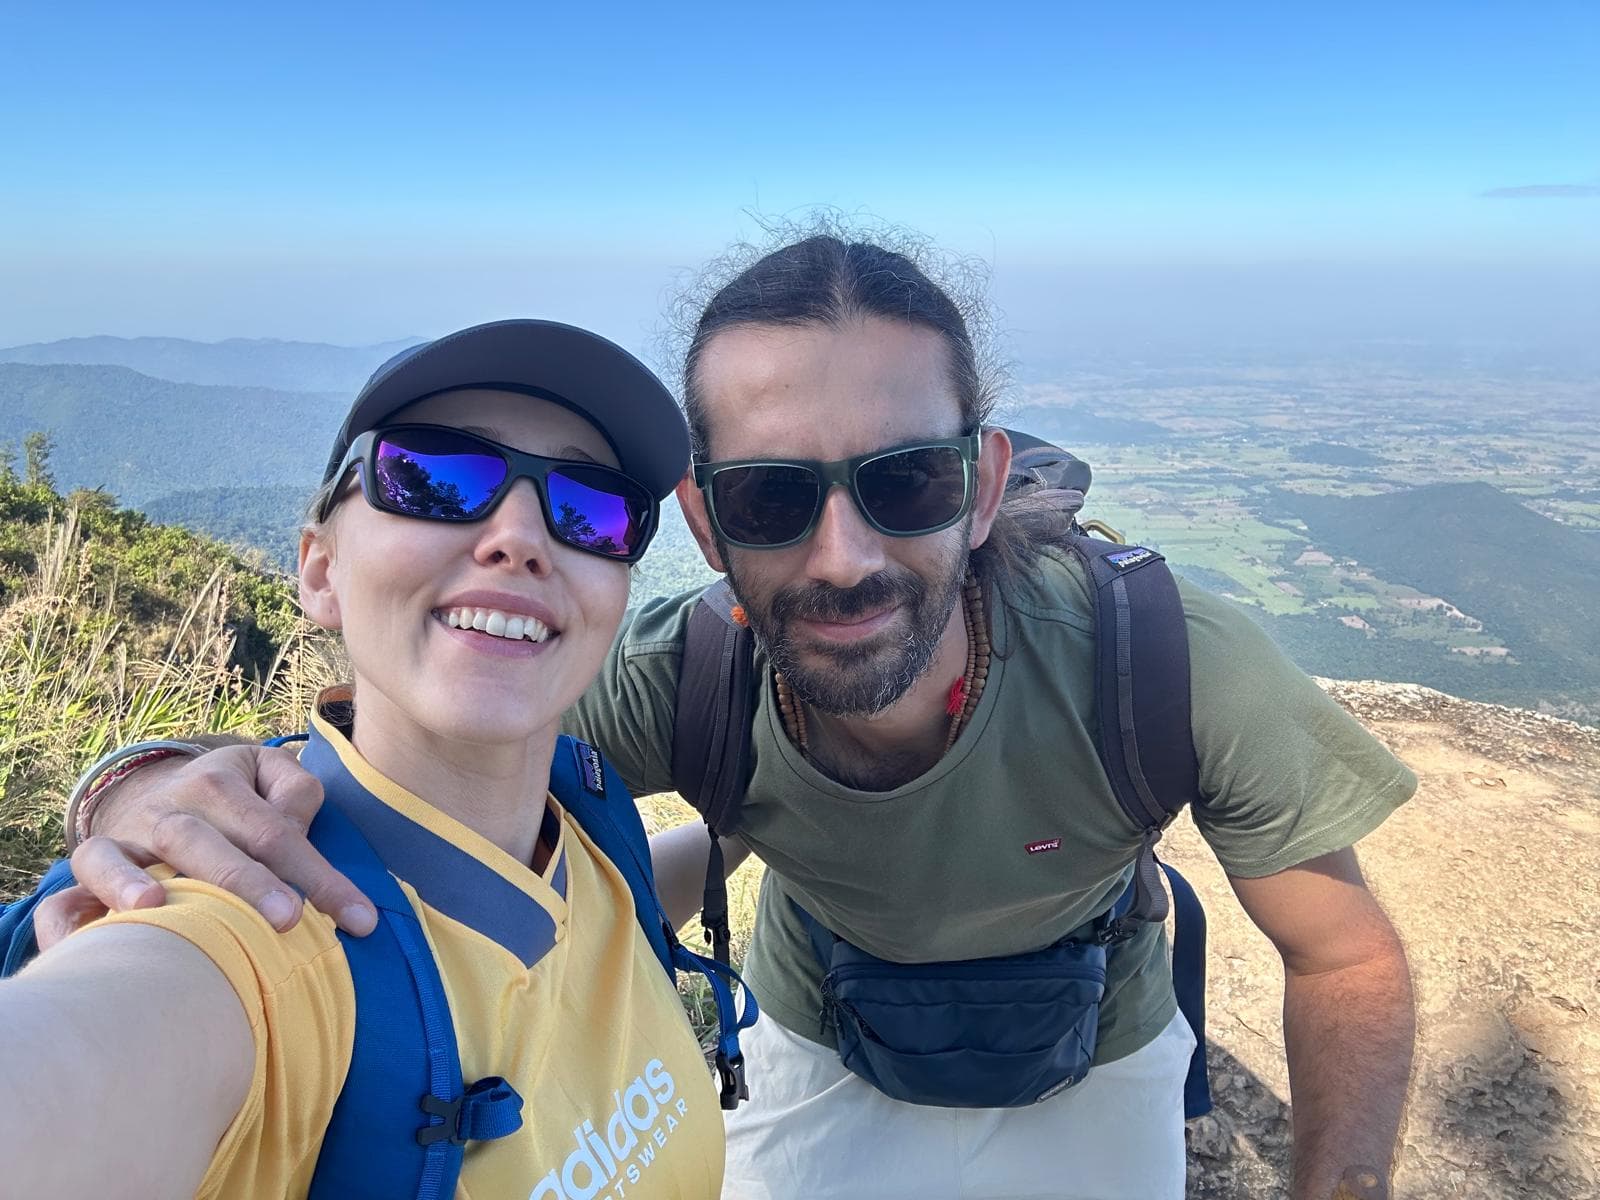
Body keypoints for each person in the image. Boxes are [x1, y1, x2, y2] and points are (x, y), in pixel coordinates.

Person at [36, 232, 1417, 1200]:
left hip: (1090, 1050)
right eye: (770, 498)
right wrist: (151, 788)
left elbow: (1346, 962)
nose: (840, 556)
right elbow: (447, 757)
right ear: (704, 524)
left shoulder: (1156, 661)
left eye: (907, 483)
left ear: (986, 486)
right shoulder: (679, 675)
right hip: (823, 1030)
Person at [0, 320, 729, 1198]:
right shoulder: (258, 927)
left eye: (592, 506)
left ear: (616, 594)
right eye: (437, 477)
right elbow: (74, 1063)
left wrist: (760, 823)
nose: (521, 537)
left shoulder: (589, 817)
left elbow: (605, 923)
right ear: (319, 572)